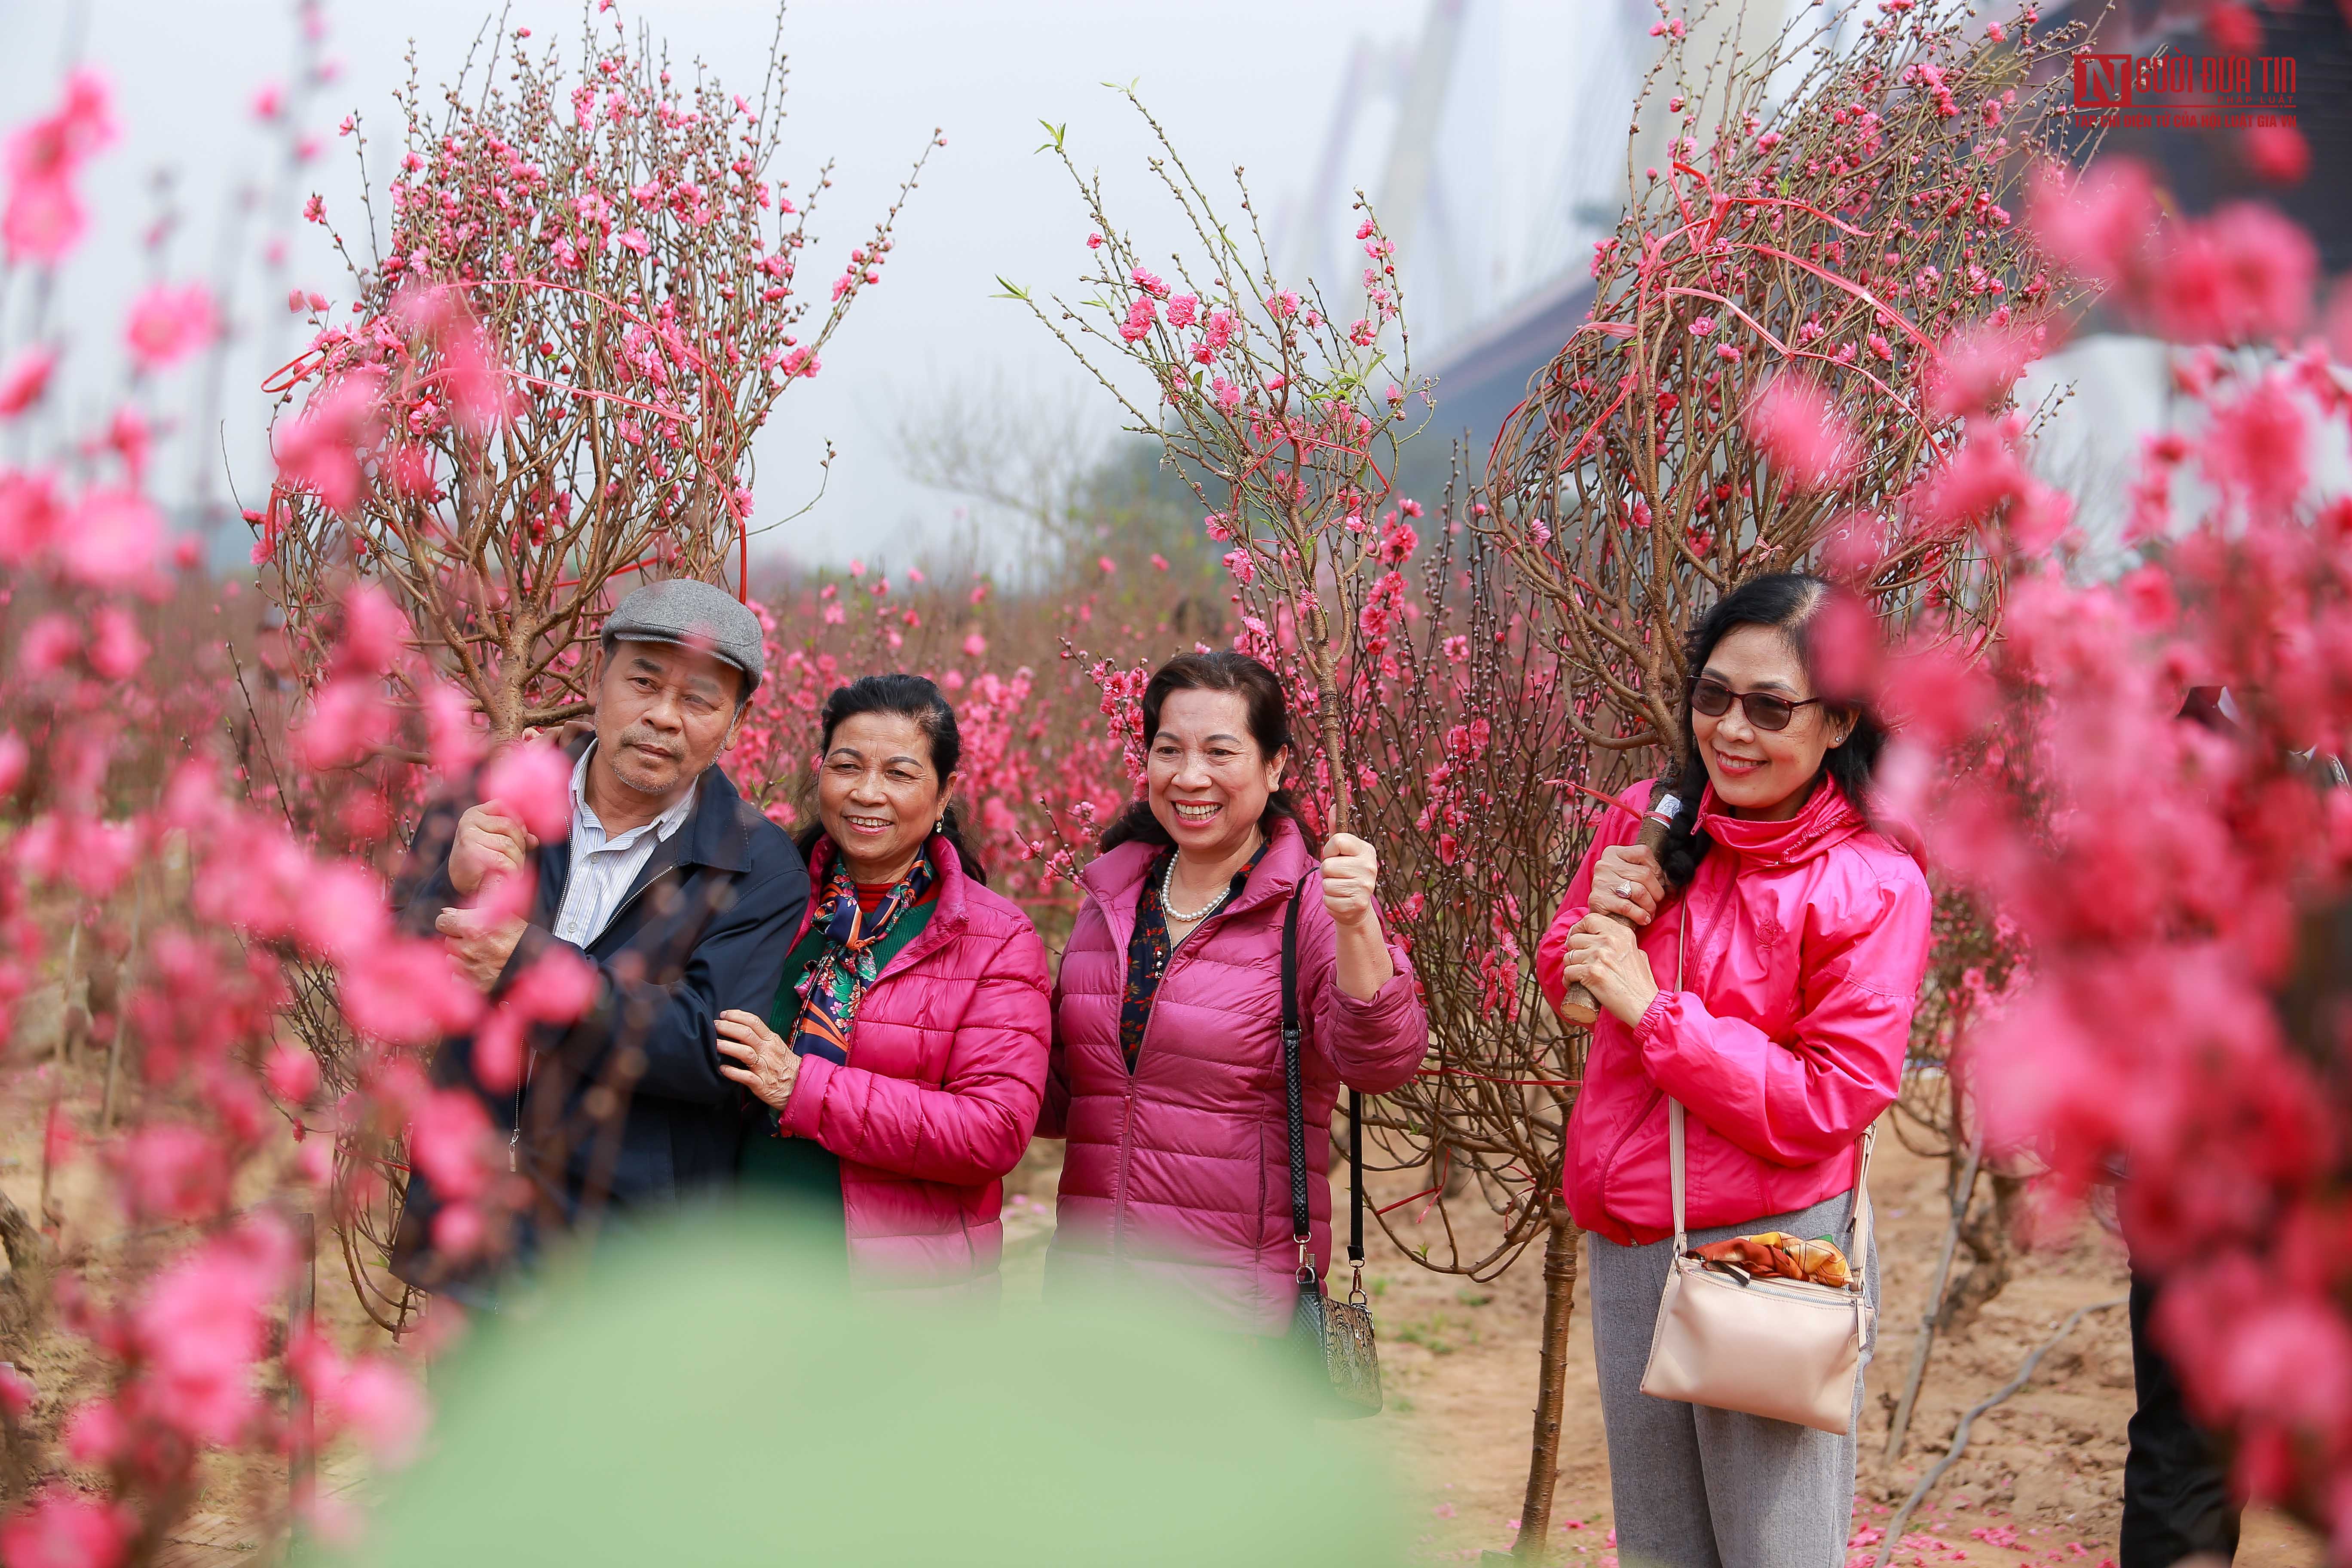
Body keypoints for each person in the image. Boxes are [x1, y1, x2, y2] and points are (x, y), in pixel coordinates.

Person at [1536, 572, 1931, 1568]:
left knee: (1774, 1550)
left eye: (1771, 706)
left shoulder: (1875, 884)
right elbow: (1572, 981)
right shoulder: (1655, 817)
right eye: (1713, 697)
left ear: (1839, 719)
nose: (1733, 731)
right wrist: (1597, 924)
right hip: (1633, 1234)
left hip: (1772, 1254)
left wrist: (1653, 1010)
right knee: (1662, 1549)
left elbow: (1829, 1099)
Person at [389, 578, 809, 1302]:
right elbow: (394, 976)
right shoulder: (496, 794)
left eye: (700, 701)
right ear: (598, 679)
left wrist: (528, 969)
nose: (664, 717)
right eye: (643, 683)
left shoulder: (759, 864)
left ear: (735, 725)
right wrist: (451, 884)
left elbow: (710, 1048)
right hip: (474, 1214)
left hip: (630, 1257)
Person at [1040, 650, 1428, 1334]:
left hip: (1231, 1316)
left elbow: (1382, 1062)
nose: (1191, 777)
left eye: (1221, 752)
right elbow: (1065, 1094)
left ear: (1275, 766)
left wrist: (1358, 920)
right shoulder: (1111, 900)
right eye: (1169, 751)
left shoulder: (1309, 906)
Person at [708, 675, 1051, 1298]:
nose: (868, 793)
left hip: (900, 1295)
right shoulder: (769, 902)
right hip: (747, 1263)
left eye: (899, 774)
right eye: (847, 767)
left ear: (946, 791)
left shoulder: (996, 938)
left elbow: (992, 1130)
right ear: (821, 774)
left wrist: (801, 1086)